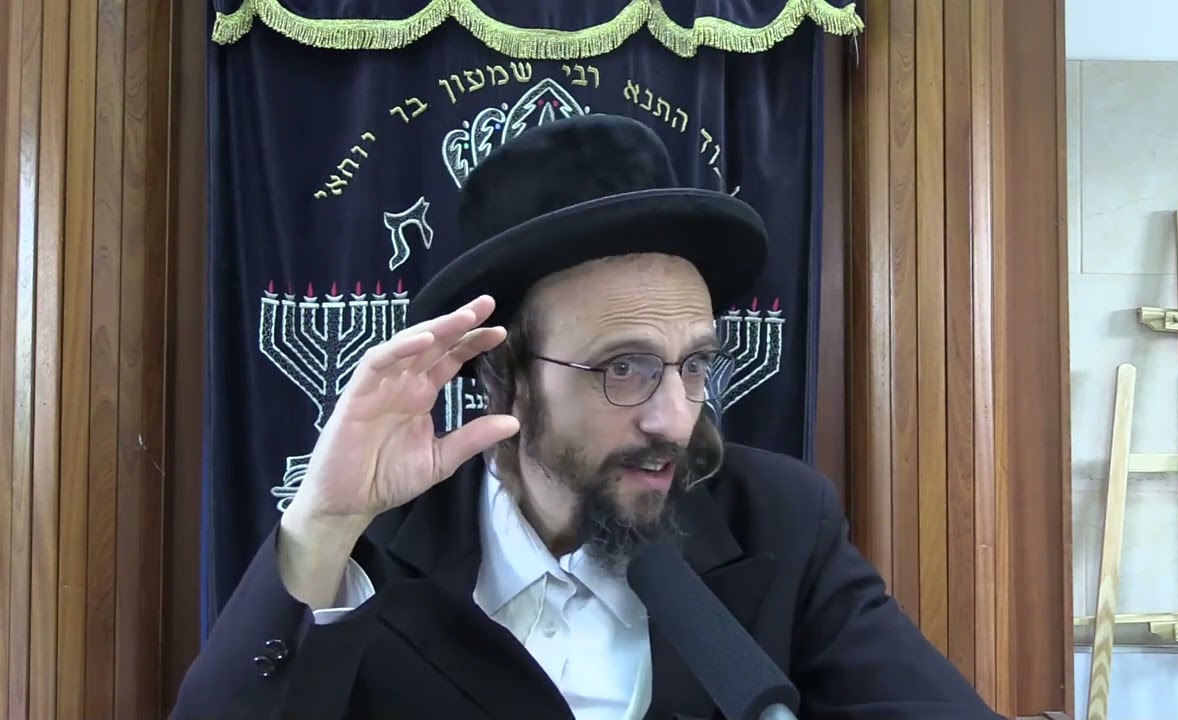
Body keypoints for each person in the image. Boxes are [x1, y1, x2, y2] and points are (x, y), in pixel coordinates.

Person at [171, 114, 1004, 720]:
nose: (673, 420)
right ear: (505, 374)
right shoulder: (370, 551)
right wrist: (324, 524)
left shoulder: (781, 520)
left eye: (694, 365)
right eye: (624, 369)